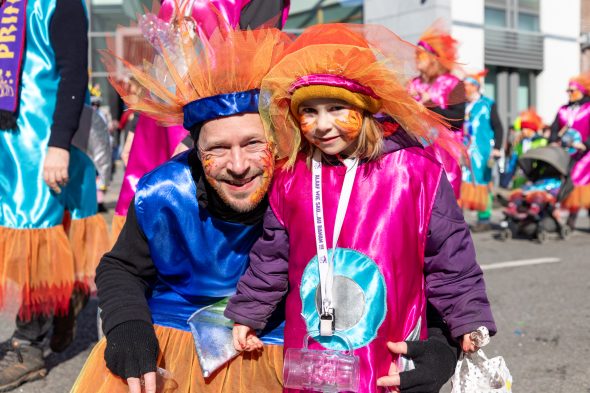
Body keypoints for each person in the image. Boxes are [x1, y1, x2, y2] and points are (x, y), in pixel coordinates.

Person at [72, 6, 465, 393]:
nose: (239, 165)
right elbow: (122, 267)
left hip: (287, 349)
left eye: (253, 143)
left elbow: (416, 259)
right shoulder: (165, 191)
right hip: (174, 345)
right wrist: (128, 328)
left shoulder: (311, 181)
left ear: (277, 141)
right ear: (195, 148)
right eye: (218, 149)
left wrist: (442, 344)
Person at [225, 23, 496, 393]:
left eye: (336, 108)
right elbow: (271, 255)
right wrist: (249, 312)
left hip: (387, 349)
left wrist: (467, 318)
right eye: (309, 111)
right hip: (312, 351)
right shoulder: (292, 179)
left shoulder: (415, 173)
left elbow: (450, 255)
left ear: (365, 108)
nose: (321, 125)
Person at [0, 0, 110, 390]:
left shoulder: (55, 4)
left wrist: (59, 143)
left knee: (33, 239)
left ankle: (27, 346)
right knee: (29, 239)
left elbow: (73, 74)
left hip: (40, 143)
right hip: (8, 145)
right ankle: (63, 301)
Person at [409, 21, 466, 199]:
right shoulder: (412, 84)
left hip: (446, 155)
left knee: (444, 202)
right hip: (418, 151)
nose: (416, 58)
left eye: (421, 55)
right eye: (416, 54)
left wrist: (430, 104)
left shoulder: (454, 83)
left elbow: (457, 120)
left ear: (434, 58)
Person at [461, 70, 504, 232]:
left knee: (482, 182)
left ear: (475, 86)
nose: (464, 88)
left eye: (467, 85)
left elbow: (498, 127)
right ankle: (459, 218)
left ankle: (484, 219)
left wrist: (497, 148)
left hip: (482, 150)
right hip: (463, 150)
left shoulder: (488, 104)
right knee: (463, 181)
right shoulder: (462, 105)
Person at [549, 74, 590, 229]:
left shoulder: (588, 109)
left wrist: (585, 144)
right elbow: (554, 128)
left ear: (581, 91)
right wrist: (553, 141)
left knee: (577, 181)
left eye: (572, 91)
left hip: (586, 154)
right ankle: (571, 220)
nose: (569, 94)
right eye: (568, 91)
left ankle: (571, 222)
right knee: (574, 184)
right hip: (566, 153)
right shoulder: (563, 110)